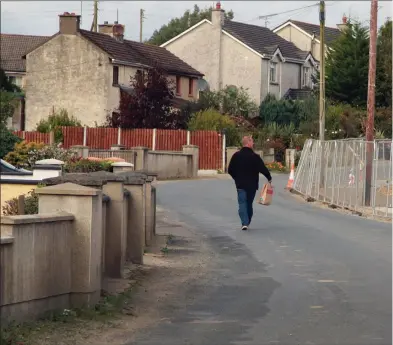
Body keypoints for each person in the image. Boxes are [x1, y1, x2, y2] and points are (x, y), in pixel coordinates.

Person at [228, 136, 272, 231]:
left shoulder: (236, 156)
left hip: (240, 184)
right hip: (252, 185)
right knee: (249, 203)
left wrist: (236, 178)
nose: (253, 143)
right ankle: (247, 221)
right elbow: (262, 168)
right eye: (252, 142)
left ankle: (244, 222)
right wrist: (269, 177)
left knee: (242, 203)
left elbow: (230, 170)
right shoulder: (255, 157)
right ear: (248, 143)